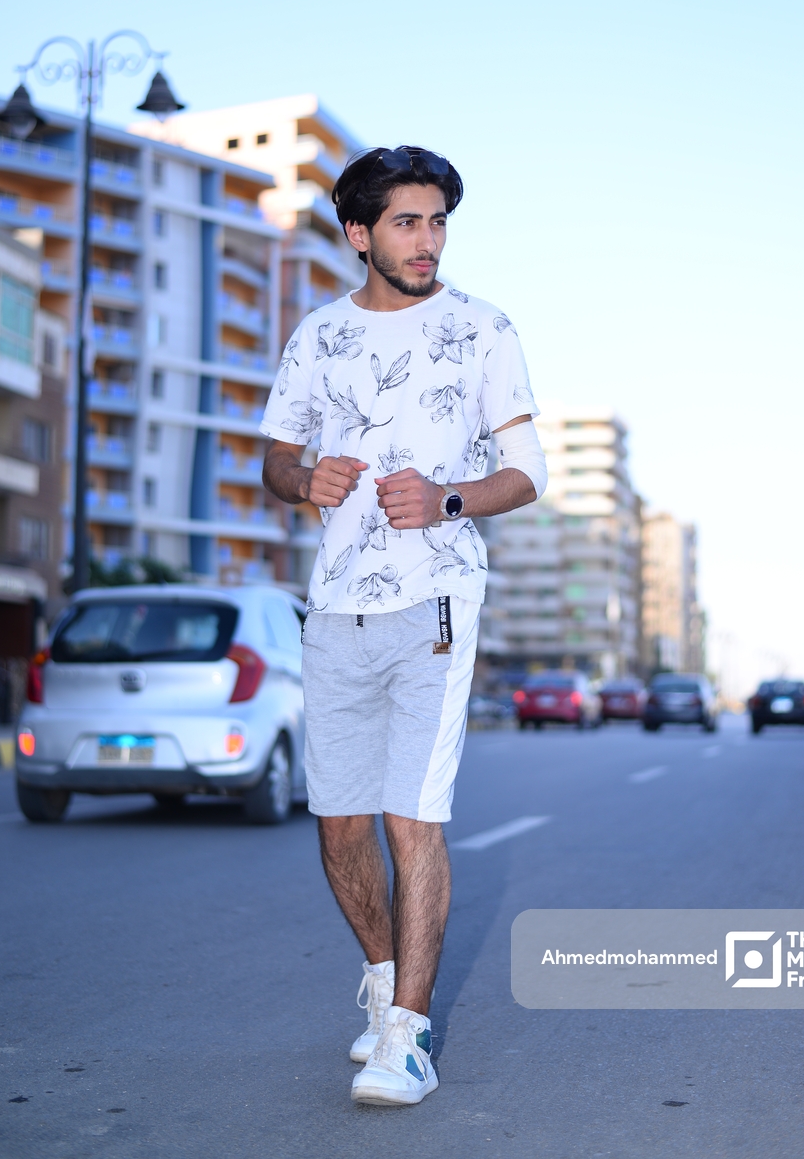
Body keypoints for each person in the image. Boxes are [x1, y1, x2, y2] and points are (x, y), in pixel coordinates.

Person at [260, 146, 547, 1106]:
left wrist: (450, 499)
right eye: (407, 223)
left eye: (436, 222)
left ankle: (412, 1038)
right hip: (335, 603)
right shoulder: (318, 336)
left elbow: (528, 472)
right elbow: (276, 453)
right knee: (339, 821)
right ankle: (383, 988)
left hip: (433, 601)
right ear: (359, 234)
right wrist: (305, 481)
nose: (427, 241)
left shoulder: (481, 329)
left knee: (407, 817)